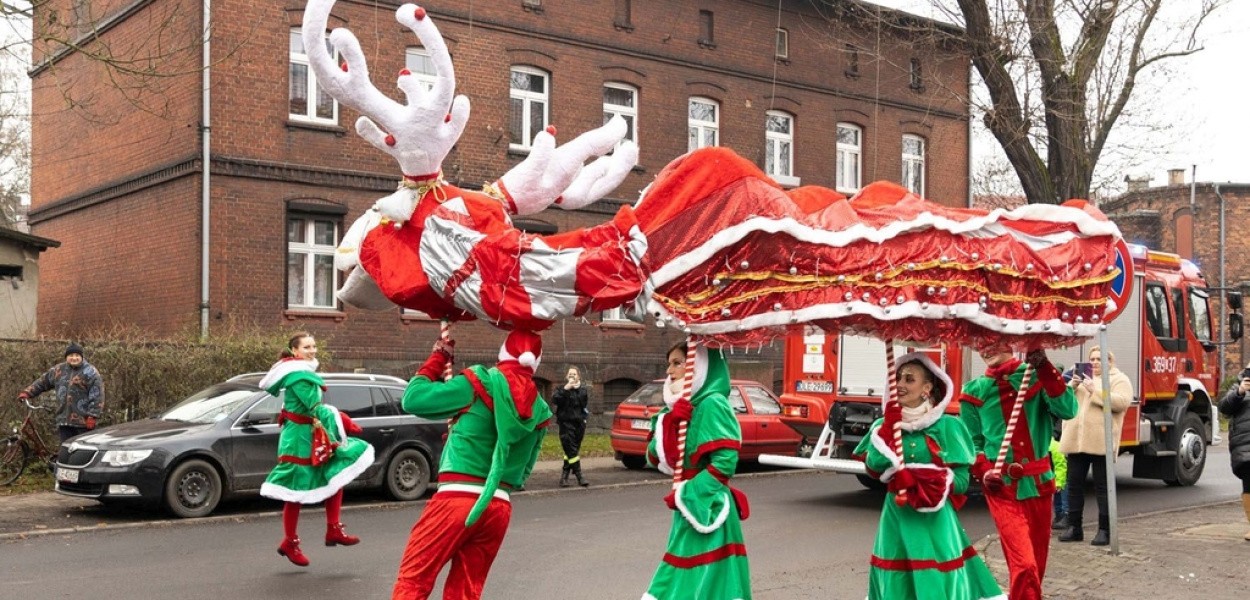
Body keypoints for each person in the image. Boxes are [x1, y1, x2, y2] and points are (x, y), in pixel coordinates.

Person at [392, 329, 552, 600]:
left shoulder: (479, 382)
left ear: (504, 353)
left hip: (456, 499)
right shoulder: (540, 408)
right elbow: (524, 470)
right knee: (466, 591)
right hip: (498, 506)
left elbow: (413, 398)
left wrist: (439, 357)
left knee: (414, 580)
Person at [853, 352, 1003, 600]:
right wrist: (888, 431)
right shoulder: (882, 426)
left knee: (937, 581)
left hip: (936, 522)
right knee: (897, 582)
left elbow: (962, 482)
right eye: (897, 378)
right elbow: (874, 468)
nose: (900, 384)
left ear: (927, 387)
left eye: (909, 379)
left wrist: (922, 480)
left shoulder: (949, 426)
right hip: (896, 519)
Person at [959, 349, 1076, 600]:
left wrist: (1044, 367)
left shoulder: (1037, 376)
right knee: (1024, 565)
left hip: (1040, 484)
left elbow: (1069, 410)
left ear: (1011, 341)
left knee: (1036, 566)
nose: (987, 347)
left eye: (994, 340)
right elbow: (972, 444)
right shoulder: (974, 391)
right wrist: (984, 470)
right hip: (1002, 489)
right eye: (981, 342)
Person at [641, 341, 751, 600]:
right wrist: (670, 421)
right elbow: (655, 458)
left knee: (699, 577)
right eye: (669, 363)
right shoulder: (675, 409)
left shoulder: (713, 403)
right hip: (687, 505)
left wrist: (691, 494)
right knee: (689, 573)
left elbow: (725, 461)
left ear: (698, 366)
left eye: (678, 363)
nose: (670, 370)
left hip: (707, 505)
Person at [258, 332, 374, 567]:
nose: (313, 350)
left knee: (334, 474)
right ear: (294, 351)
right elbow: (316, 409)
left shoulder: (300, 372)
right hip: (299, 439)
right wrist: (344, 420)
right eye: (307, 347)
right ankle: (291, 542)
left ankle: (333, 528)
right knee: (296, 490)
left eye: (314, 346)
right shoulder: (300, 377)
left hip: (309, 435)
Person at [1057, 346, 1131, 546]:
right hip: (1076, 441)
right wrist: (1071, 386)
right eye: (1093, 359)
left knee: (1102, 487)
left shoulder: (1118, 379)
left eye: (1100, 359)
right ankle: (1074, 527)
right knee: (1073, 486)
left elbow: (1122, 403)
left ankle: (1105, 530)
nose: (1096, 362)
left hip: (1101, 442)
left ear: (1109, 361)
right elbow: (1062, 403)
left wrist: (1095, 391)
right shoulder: (1079, 377)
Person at [18, 343, 105, 443]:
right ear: (66, 357)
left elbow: (97, 395)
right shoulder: (58, 370)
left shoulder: (90, 372)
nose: (74, 358)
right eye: (71, 355)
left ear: (81, 357)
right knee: (66, 449)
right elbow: (43, 382)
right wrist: (27, 392)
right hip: (64, 420)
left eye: (77, 355)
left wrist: (92, 415)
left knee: (82, 452)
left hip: (83, 422)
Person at [1218, 367, 1250, 542]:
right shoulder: (1239, 388)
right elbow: (1225, 407)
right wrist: (1239, 392)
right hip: (1245, 445)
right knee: (1249, 484)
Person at [552, 366, 590, 487]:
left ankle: (564, 477)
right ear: (566, 377)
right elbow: (555, 400)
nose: (572, 376)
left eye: (574, 374)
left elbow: (583, 403)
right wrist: (566, 389)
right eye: (570, 374)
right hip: (565, 423)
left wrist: (575, 388)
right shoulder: (561, 389)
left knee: (571, 451)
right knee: (571, 449)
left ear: (578, 376)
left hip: (579, 424)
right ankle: (579, 476)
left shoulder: (583, 390)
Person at [1049, 437, 1069, 530]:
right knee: (1056, 495)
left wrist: (1059, 483)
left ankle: (1065, 514)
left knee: (1061, 491)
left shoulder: (1054, 447)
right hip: (1052, 474)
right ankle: (1059, 515)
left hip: (1059, 474)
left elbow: (1060, 465)